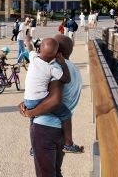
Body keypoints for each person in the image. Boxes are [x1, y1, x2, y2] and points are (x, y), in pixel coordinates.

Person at [19, 35, 84, 176]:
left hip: (45, 129)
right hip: (59, 130)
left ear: (58, 52)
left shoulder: (55, 67)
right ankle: (67, 143)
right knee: (55, 171)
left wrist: (31, 112)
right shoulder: (76, 70)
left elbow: (54, 100)